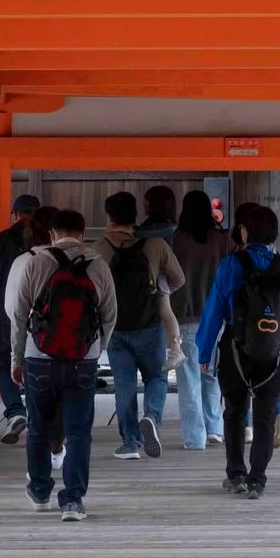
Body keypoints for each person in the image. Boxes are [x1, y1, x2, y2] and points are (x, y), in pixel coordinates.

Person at [3, 207, 115, 520]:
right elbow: (110, 314)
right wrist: (95, 349)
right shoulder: (98, 264)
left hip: (39, 358)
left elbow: (18, 315)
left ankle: (40, 492)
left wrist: (17, 358)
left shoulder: (36, 263)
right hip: (83, 361)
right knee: (79, 431)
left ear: (52, 233)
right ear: (83, 233)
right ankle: (73, 501)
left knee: (39, 426)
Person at [197, 201, 280, 499]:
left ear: (244, 230)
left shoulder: (231, 264)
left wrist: (204, 352)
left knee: (235, 411)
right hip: (272, 351)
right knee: (265, 414)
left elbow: (214, 310)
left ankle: (236, 473)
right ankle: (258, 479)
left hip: (235, 347)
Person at [92, 191, 184, 459]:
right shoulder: (155, 245)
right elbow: (178, 279)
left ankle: (131, 442)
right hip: (150, 324)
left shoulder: (98, 249)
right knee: (156, 377)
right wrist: (159, 289)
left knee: (125, 385)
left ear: (110, 219)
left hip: (116, 328)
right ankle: (152, 418)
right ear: (136, 216)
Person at [0, 191, 45, 442]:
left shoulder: (0, 240)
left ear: (14, 214)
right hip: (44, 316)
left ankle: (16, 411)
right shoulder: (47, 241)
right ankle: (41, 416)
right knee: (42, 363)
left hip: (9, 313)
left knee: (5, 364)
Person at [166, 188, 229, 450]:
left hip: (185, 316)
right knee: (212, 374)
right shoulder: (222, 240)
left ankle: (195, 438)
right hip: (218, 318)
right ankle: (215, 429)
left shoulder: (176, 239)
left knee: (189, 378)